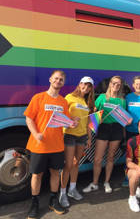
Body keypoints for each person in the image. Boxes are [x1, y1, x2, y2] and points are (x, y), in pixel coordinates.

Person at [24, 70, 77, 219]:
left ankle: (53, 200)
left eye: (61, 80)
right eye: (56, 78)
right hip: (39, 146)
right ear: (50, 80)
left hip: (57, 146)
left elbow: (66, 122)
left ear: (63, 83)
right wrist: (36, 134)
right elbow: (29, 119)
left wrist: (73, 123)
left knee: (55, 173)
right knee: (37, 175)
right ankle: (34, 203)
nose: (58, 81)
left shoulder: (62, 101)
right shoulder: (38, 98)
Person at [83, 76, 128, 194]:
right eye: (114, 83)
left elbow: (123, 118)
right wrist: (98, 119)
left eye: (118, 84)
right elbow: (93, 113)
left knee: (111, 157)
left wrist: (124, 131)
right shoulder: (102, 97)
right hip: (103, 129)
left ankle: (106, 182)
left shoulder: (122, 100)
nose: (116, 86)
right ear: (110, 84)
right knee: (97, 159)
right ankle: (94, 183)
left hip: (117, 129)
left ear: (120, 86)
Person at [59, 76, 95, 208]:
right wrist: (70, 118)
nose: (86, 87)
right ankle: (62, 193)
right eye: (84, 84)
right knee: (68, 164)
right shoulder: (69, 97)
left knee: (76, 163)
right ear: (79, 84)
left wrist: (89, 138)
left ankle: (72, 189)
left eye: (89, 86)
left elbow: (88, 122)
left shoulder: (87, 102)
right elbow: (61, 114)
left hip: (82, 136)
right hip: (69, 135)